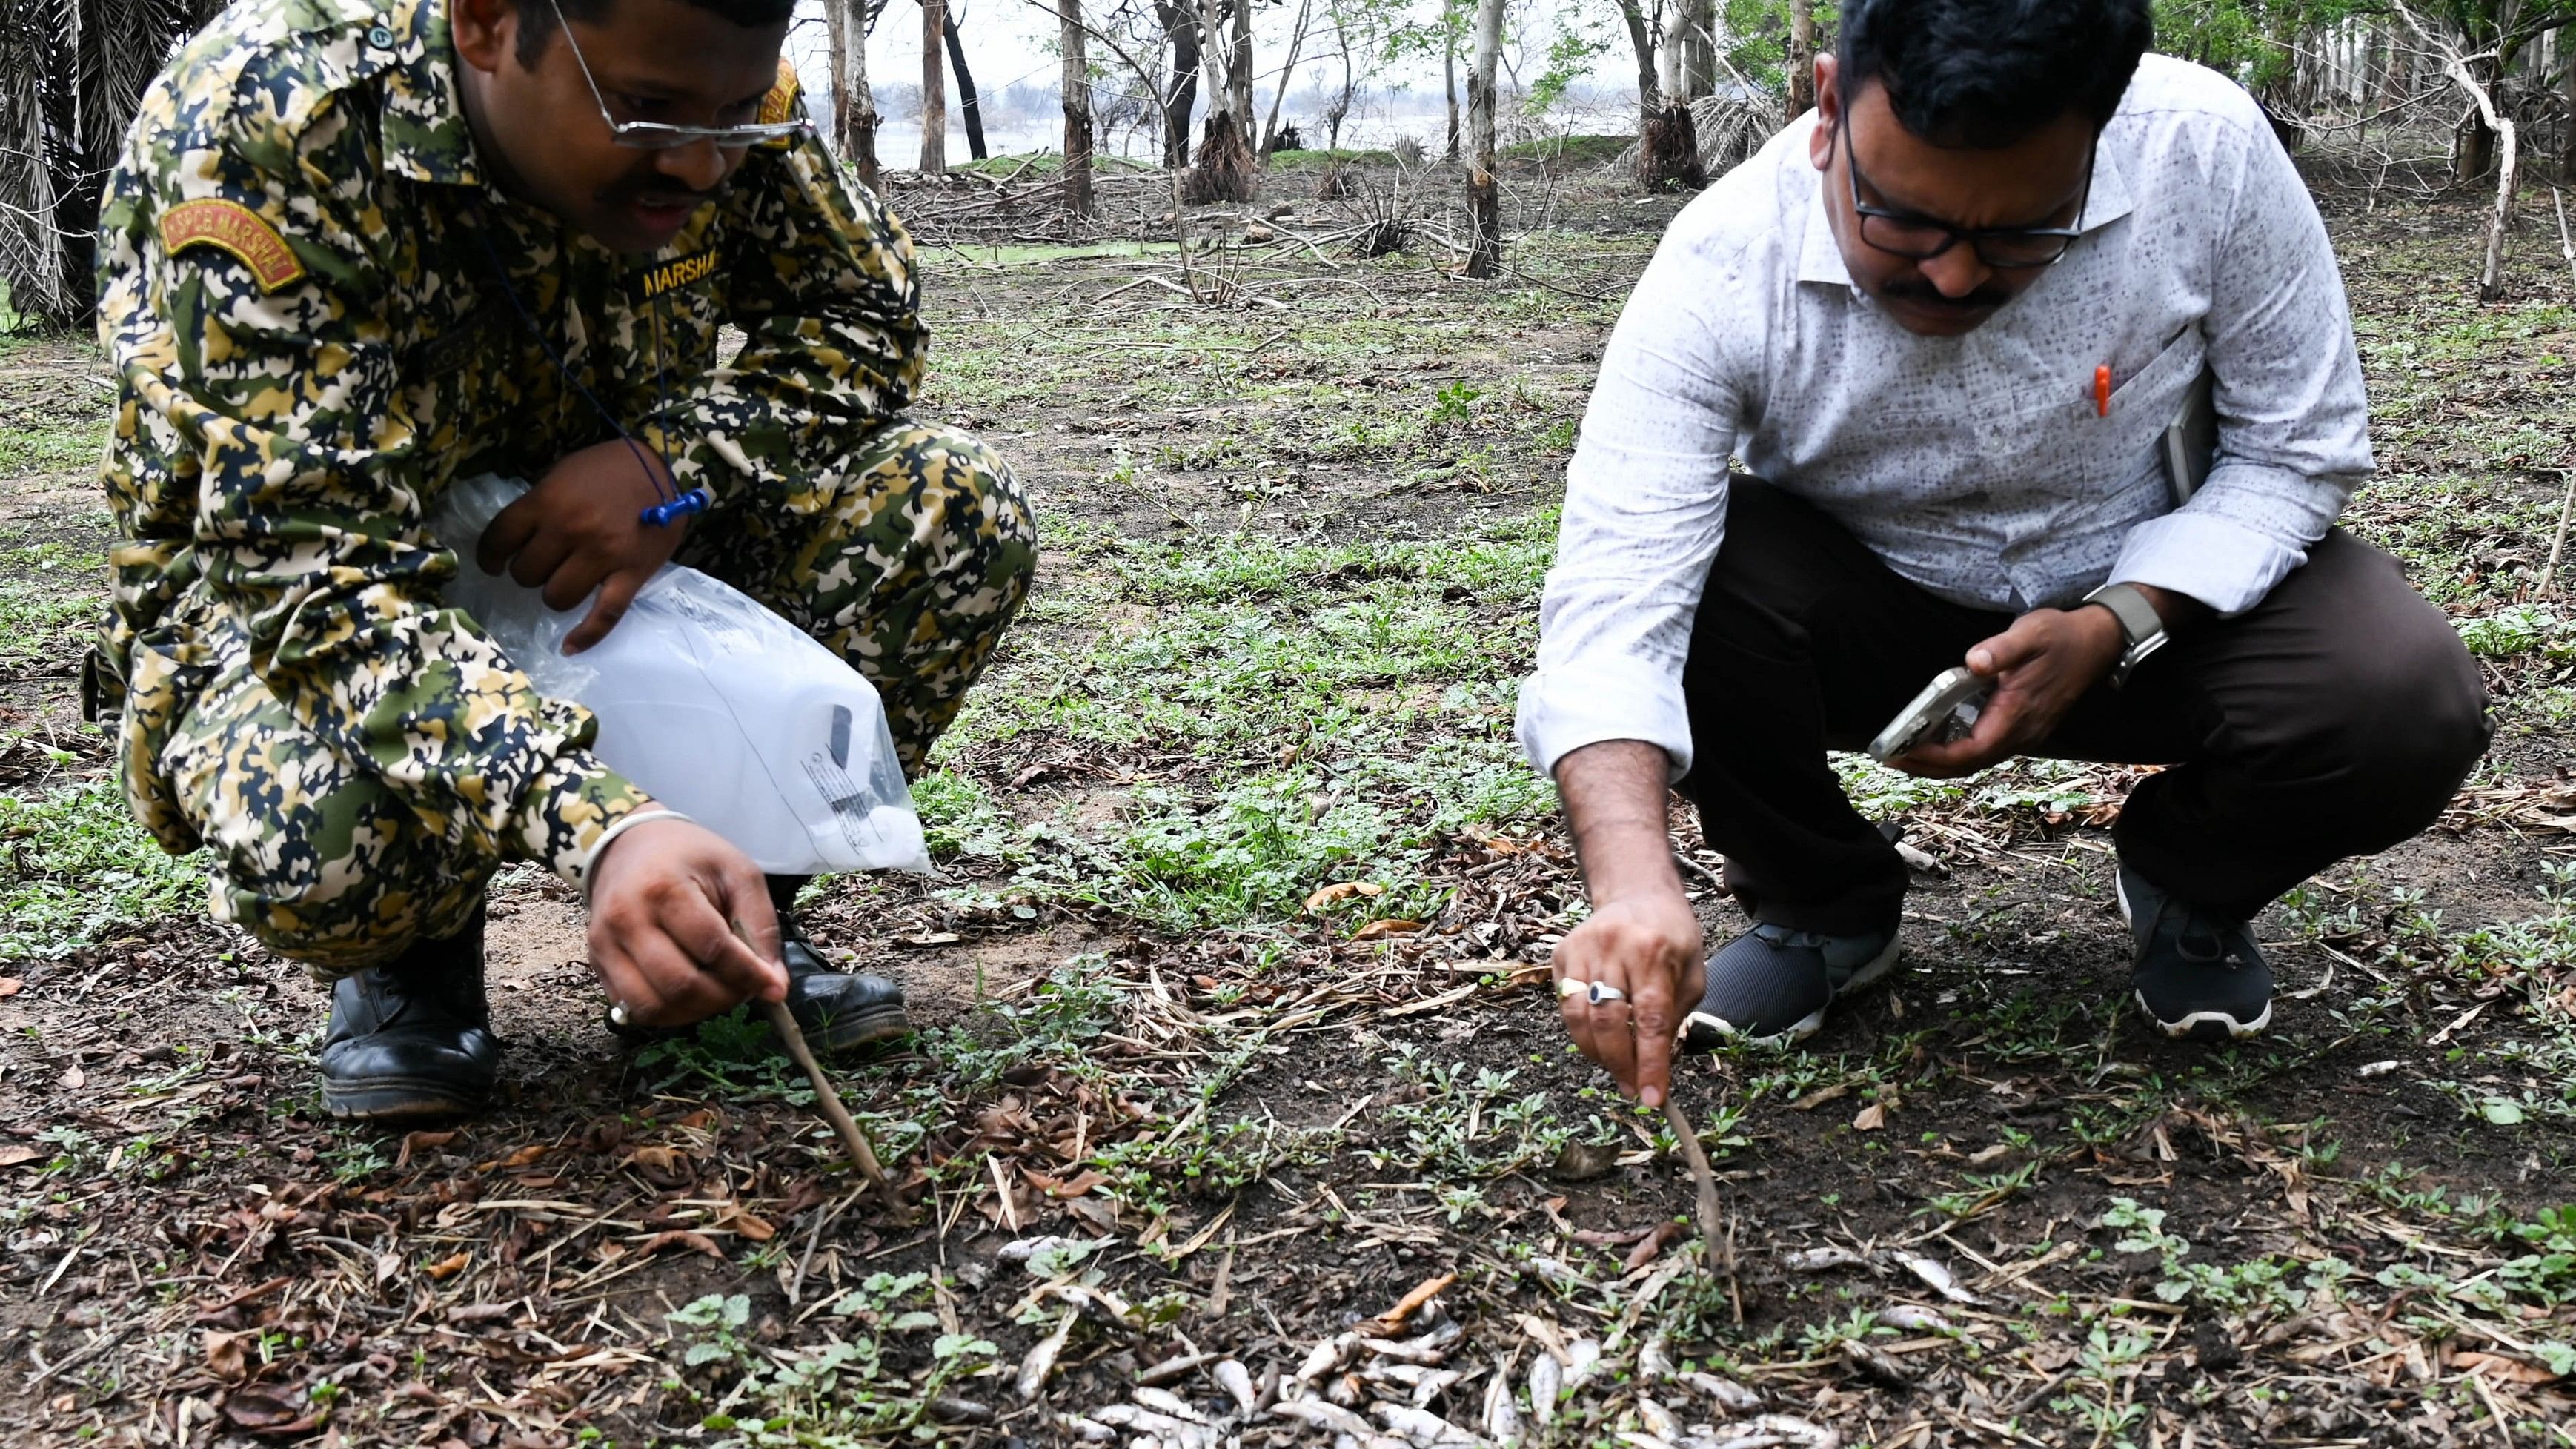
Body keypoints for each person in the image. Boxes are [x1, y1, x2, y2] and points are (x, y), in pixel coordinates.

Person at [1520, 0, 2489, 1110]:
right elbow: (1615, 589)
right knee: (1705, 575)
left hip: (2156, 618)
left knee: (2400, 696)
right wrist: (1634, 882)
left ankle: (2185, 879)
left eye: (2026, 233)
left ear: (2105, 129)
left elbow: (2298, 446)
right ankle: (1822, 907)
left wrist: (2118, 620)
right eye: (1903, 222)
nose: (1954, 277)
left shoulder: (2203, 149)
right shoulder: (1721, 265)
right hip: (1871, 621)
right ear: (1830, 107)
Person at [90, 0, 1036, 1122]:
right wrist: (602, 824)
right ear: (489, 23)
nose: (694, 161)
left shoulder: (710, 80)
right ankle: (415, 967)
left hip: (612, 555)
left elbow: (866, 317)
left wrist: (671, 469)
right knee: (328, 841)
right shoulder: (272, 118)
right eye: (646, 113)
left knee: (948, 508)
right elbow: (312, 580)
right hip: (332, 592)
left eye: (732, 116)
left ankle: (722, 937)